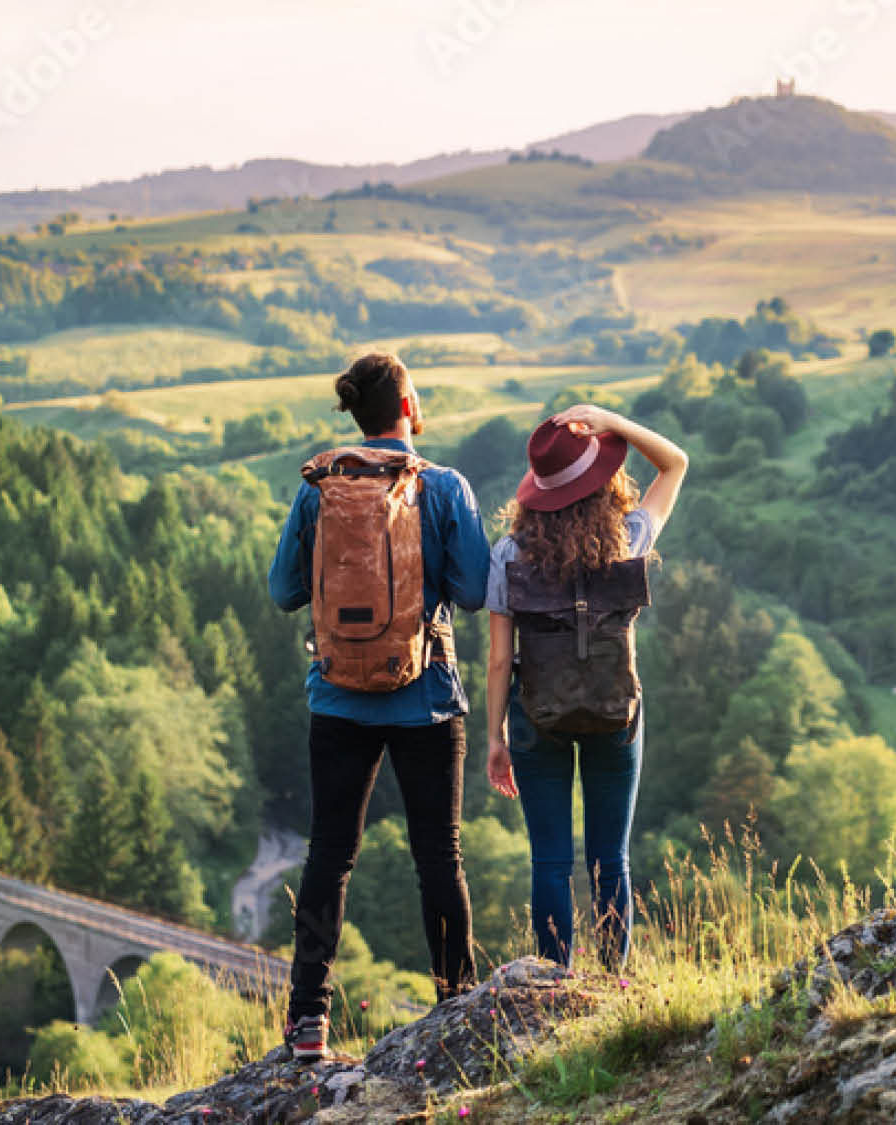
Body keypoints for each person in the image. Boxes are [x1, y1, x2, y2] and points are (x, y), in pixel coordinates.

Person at [267, 352, 491, 1062]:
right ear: (407, 404)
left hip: (337, 696)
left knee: (329, 853)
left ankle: (308, 1020)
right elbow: (479, 589)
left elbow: (283, 591)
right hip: (424, 695)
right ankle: (456, 1003)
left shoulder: (318, 490)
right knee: (439, 854)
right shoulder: (444, 486)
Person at [484, 404, 688, 971]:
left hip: (536, 717)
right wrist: (613, 422)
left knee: (550, 861)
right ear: (603, 483)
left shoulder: (509, 554)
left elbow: (500, 661)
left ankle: (554, 982)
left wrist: (495, 739)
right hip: (615, 714)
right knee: (610, 858)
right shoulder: (630, 537)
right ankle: (615, 979)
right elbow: (675, 464)